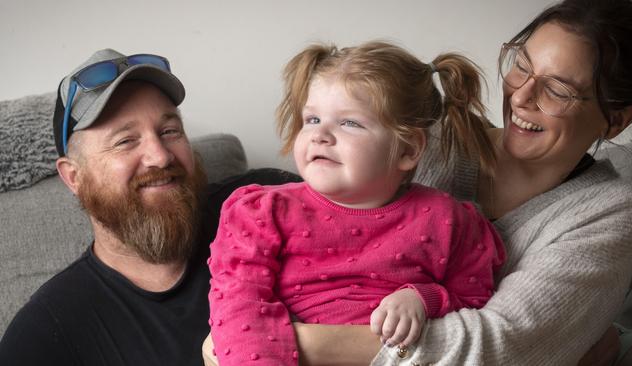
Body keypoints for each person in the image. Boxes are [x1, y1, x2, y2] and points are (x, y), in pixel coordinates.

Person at [265, 0, 632, 365]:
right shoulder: (429, 139)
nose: (521, 97)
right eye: (521, 66)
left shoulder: (613, 211)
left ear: (615, 120)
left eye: (558, 90)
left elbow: (503, 349)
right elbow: (311, 247)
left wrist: (286, 341)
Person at [207, 41, 506, 365]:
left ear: (408, 149)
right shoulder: (261, 213)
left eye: (349, 122)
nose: (320, 135)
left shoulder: (447, 219)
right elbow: (241, 307)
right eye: (312, 119)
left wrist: (423, 298)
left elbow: (476, 301)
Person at [0, 49, 299, 366]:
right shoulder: (49, 331)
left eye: (170, 131)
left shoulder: (264, 202)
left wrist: (317, 344)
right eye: (125, 140)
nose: (160, 156)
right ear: (74, 177)